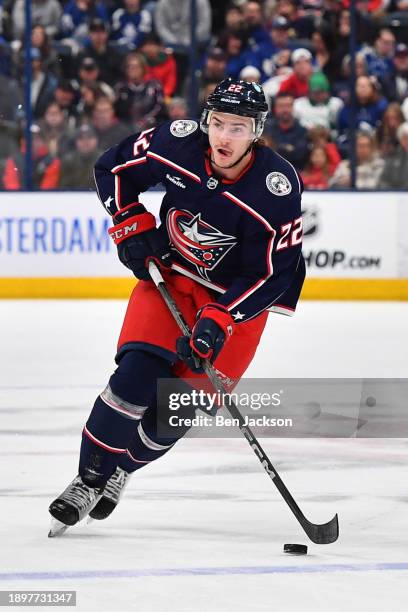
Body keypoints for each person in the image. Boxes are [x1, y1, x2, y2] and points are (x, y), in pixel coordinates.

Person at [48, 77, 306, 531]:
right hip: (173, 278)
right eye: (218, 123)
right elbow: (113, 169)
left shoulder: (275, 188)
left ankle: (122, 469)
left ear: (257, 131)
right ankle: (88, 480)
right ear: (206, 120)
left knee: (176, 408)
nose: (224, 137)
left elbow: (273, 273)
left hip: (235, 302)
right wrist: (129, 223)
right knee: (135, 375)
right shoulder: (178, 141)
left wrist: (222, 318)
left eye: (238, 128)